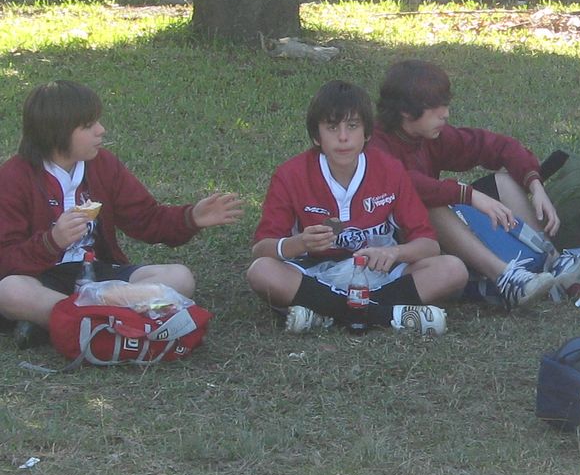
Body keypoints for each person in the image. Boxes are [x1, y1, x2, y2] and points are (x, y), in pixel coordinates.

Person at [0, 80, 244, 348]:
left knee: (179, 277)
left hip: (99, 278)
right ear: (56, 132)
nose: (101, 130)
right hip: (41, 278)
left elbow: (147, 219)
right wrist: (52, 241)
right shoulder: (13, 177)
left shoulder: (103, 165)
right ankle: (112, 321)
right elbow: (6, 259)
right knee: (10, 290)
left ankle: (66, 322)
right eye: (88, 125)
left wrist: (192, 217)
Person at [372, 59, 580, 310]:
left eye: (445, 105)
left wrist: (535, 184)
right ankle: (505, 277)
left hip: (434, 236)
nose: (445, 114)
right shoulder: (376, 144)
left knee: (504, 181)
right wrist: (469, 195)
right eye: (435, 108)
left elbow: (496, 146)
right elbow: (407, 184)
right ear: (406, 112)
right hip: (400, 244)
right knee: (429, 204)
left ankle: (554, 262)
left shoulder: (427, 135)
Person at [246, 80, 467, 336]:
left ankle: (325, 314)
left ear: (367, 133)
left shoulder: (390, 169)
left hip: (378, 275)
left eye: (352, 126)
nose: (343, 137)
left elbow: (429, 245)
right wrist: (300, 243)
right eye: (332, 127)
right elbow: (261, 250)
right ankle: (388, 315)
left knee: (452, 269)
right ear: (317, 136)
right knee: (261, 272)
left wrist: (394, 252)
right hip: (314, 276)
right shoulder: (290, 175)